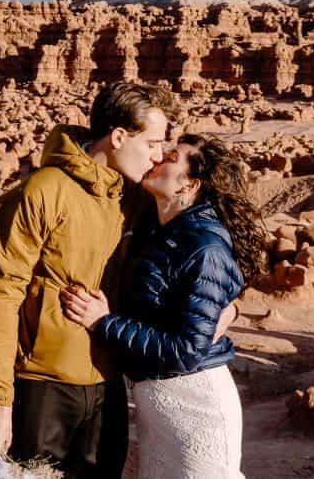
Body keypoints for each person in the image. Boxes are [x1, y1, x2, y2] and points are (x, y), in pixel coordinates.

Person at [0, 81, 176, 477]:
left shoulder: (132, 198)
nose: (157, 157)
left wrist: (229, 303)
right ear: (117, 136)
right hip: (41, 388)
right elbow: (0, 294)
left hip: (108, 386)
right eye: (151, 143)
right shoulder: (42, 192)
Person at [61, 134, 268, 479]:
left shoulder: (204, 245)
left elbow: (186, 351)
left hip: (196, 407)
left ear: (189, 183)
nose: (156, 157)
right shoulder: (154, 226)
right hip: (157, 409)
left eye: (171, 156)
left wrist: (103, 322)